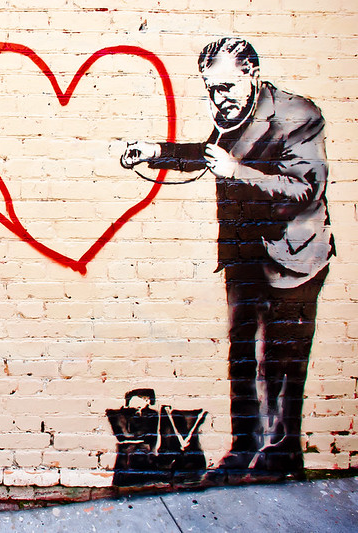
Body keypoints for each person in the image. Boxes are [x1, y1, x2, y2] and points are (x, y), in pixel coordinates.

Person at [120, 38, 335, 478]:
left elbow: (305, 189)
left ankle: (279, 457)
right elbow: (209, 155)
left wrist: (238, 173)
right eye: (210, 88)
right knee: (243, 355)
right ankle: (243, 450)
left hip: (292, 258)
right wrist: (156, 152)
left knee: (279, 361)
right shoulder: (232, 115)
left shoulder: (300, 116)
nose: (218, 99)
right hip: (244, 255)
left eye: (226, 87)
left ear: (252, 73)